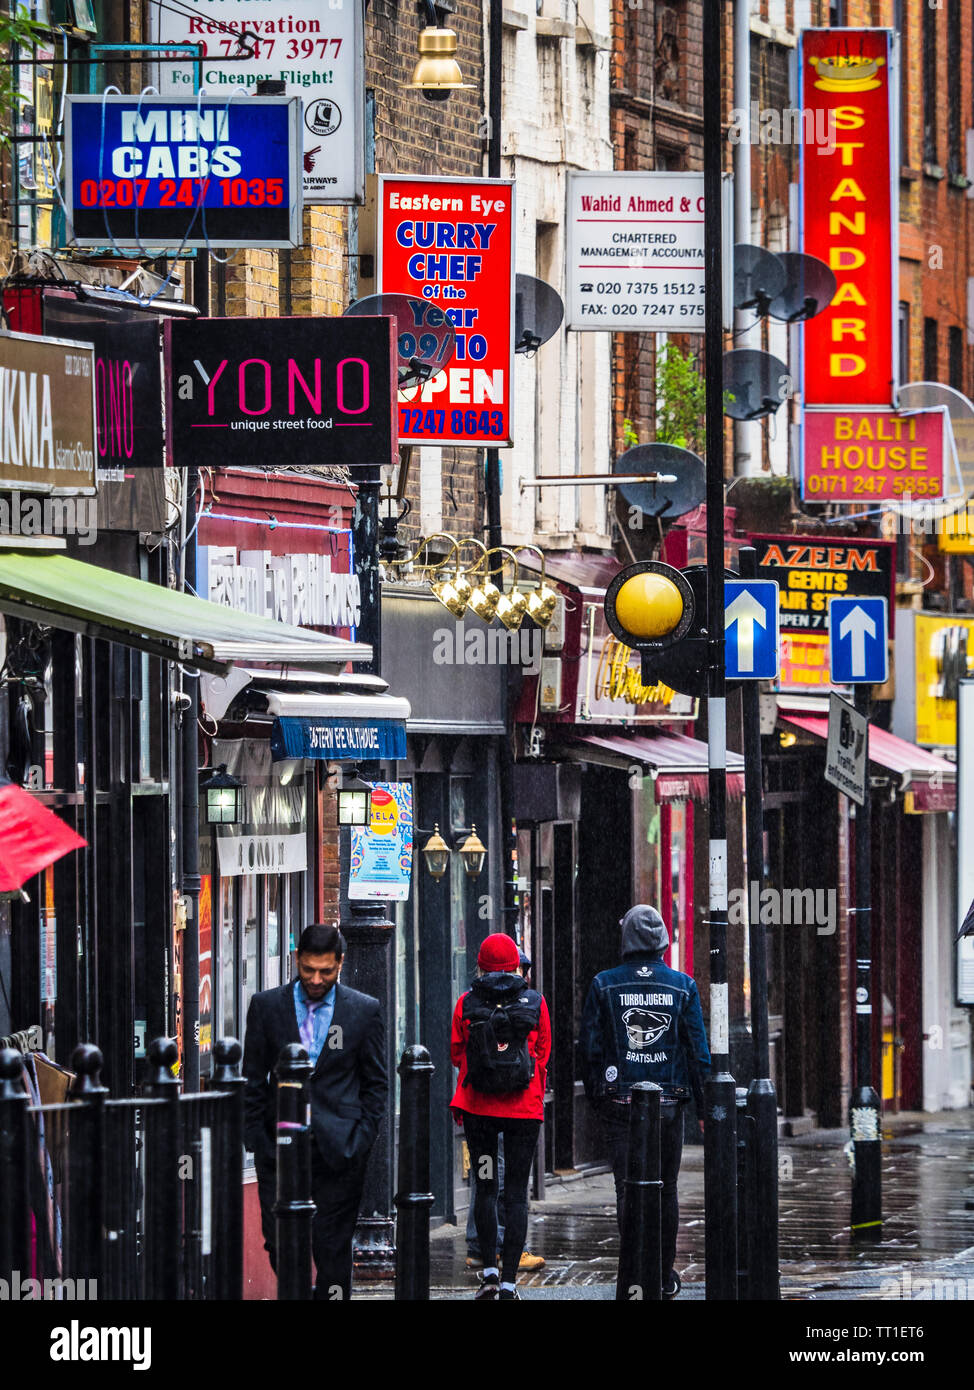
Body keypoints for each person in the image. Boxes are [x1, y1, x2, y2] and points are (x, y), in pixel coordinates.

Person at [243, 922, 387, 1300]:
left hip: (338, 1151)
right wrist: (260, 1141)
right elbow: (252, 1079)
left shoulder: (363, 1010)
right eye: (308, 970)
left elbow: (375, 1084)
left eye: (326, 970)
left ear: (341, 963)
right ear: (297, 960)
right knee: (280, 1243)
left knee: (332, 1248)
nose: (316, 979)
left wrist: (360, 1141)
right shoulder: (266, 1006)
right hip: (280, 1149)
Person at [578, 904, 710, 1300]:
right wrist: (705, 1110)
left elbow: (590, 1050)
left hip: (622, 1104)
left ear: (627, 939)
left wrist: (599, 1098)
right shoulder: (683, 986)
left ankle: (635, 1266)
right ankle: (662, 1270)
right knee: (666, 1188)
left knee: (627, 1188)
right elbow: (698, 1053)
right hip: (669, 1105)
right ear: (663, 941)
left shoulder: (604, 984)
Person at [451, 933, 551, 1300]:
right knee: (516, 1194)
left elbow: (456, 1052)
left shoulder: (467, 1003)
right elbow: (543, 1052)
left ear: (480, 963)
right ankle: (510, 1282)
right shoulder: (535, 1002)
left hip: (480, 1111)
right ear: (515, 965)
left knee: (487, 1186)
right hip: (522, 1112)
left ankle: (490, 1274)